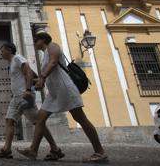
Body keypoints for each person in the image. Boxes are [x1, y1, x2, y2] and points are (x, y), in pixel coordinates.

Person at [17, 32, 108, 162]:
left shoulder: (53, 46)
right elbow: (50, 71)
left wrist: (42, 78)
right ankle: (35, 150)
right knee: (40, 119)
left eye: (36, 40)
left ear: (43, 40)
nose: (34, 43)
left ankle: (100, 152)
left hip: (65, 89)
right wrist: (34, 80)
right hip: (54, 93)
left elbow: (53, 63)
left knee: (81, 119)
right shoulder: (45, 54)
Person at [0, 42, 65, 161]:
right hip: (16, 98)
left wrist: (28, 90)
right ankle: (6, 150)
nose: (1, 53)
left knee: (38, 122)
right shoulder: (11, 63)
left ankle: (55, 149)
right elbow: (30, 74)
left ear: (9, 50)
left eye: (2, 50)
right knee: (9, 120)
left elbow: (29, 72)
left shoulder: (18, 58)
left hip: (24, 96)